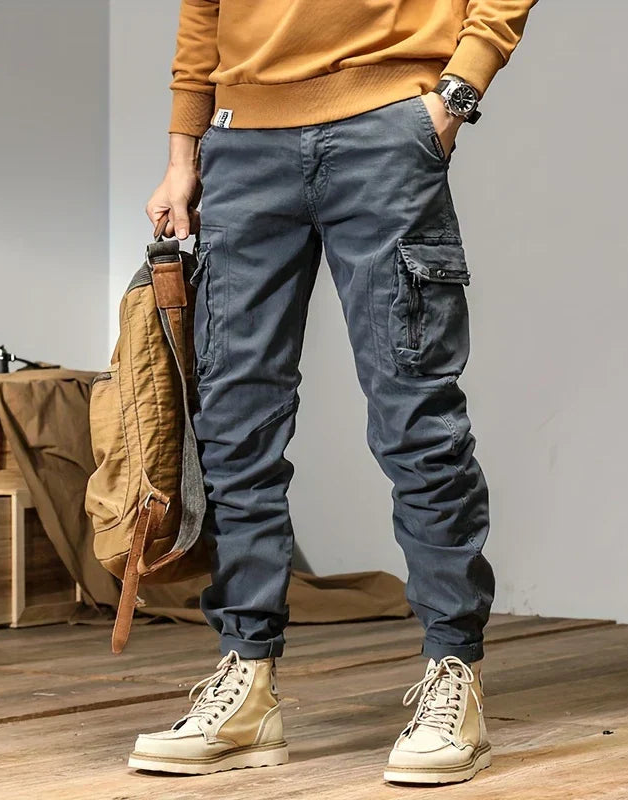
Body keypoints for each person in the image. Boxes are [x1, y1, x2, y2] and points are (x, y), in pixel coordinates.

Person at [129, 0, 536, 785]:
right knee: (235, 424)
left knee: (416, 418)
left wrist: (456, 96)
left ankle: (454, 674)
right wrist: (183, 154)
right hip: (242, 143)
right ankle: (246, 681)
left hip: (386, 130)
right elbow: (202, 11)